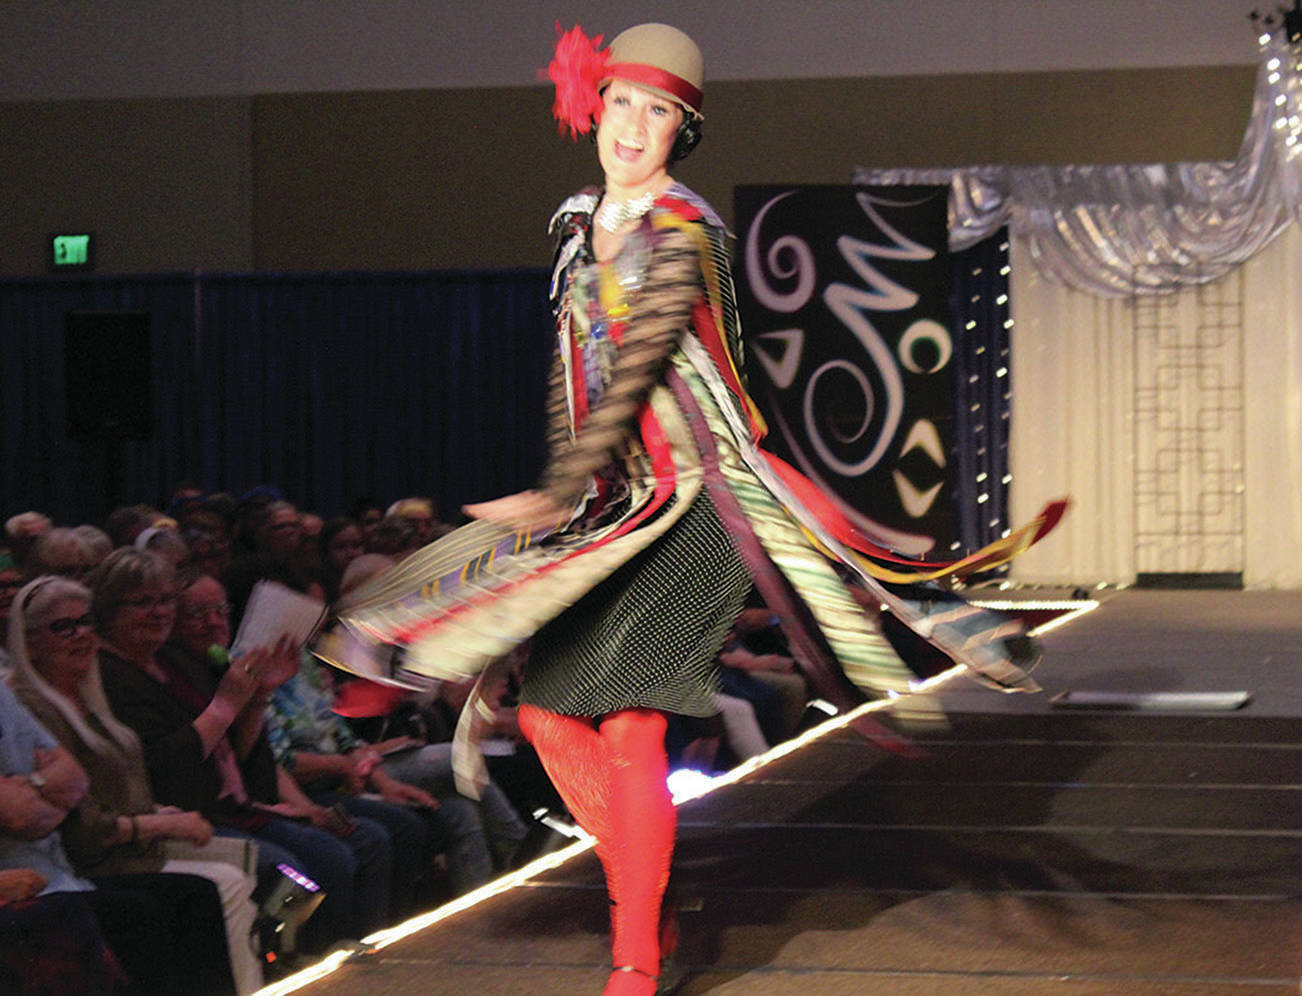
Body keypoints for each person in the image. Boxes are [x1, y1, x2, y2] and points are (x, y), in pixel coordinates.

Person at [334, 22, 1059, 996]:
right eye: (624, 102)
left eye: (661, 111)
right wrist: (566, 492)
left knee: (634, 730)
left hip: (699, 498)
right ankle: (651, 890)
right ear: (594, 105)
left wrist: (559, 486)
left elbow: (638, 368)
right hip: (612, 504)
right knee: (547, 717)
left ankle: (636, 956)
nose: (636, 126)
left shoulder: (686, 231)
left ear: (686, 128)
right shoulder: (572, 225)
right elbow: (573, 375)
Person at [88, 549, 394, 952]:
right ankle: (289, 965)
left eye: (165, 601)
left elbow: (237, 753)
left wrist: (258, 697)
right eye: (143, 602)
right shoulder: (109, 676)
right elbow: (166, 770)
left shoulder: (174, 662)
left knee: (348, 846)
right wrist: (227, 705)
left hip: (234, 807)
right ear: (109, 610)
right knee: (293, 875)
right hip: (181, 818)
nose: (159, 612)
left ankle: (346, 956)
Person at [9, 575, 264, 993]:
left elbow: (104, 788)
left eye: (84, 621)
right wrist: (162, 825)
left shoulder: (89, 698)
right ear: (30, 641)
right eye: (62, 626)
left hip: (127, 842)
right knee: (213, 887)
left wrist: (156, 814)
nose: (79, 634)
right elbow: (83, 827)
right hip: (91, 858)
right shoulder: (34, 708)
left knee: (238, 868)